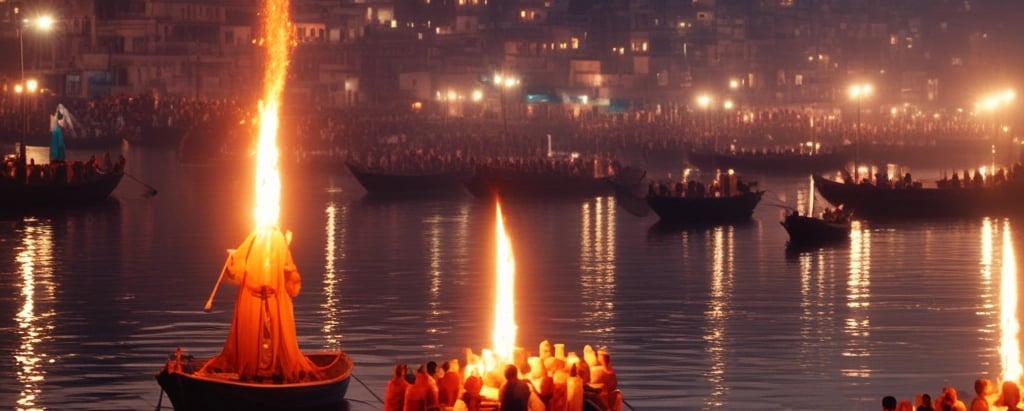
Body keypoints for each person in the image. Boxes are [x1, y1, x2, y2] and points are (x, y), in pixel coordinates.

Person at [199, 227, 320, 383]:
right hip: (257, 304)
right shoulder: (257, 241)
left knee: (269, 334)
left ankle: (269, 369)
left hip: (272, 304)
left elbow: (287, 276)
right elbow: (241, 267)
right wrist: (234, 258)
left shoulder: (273, 241)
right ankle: (259, 369)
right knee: (260, 333)